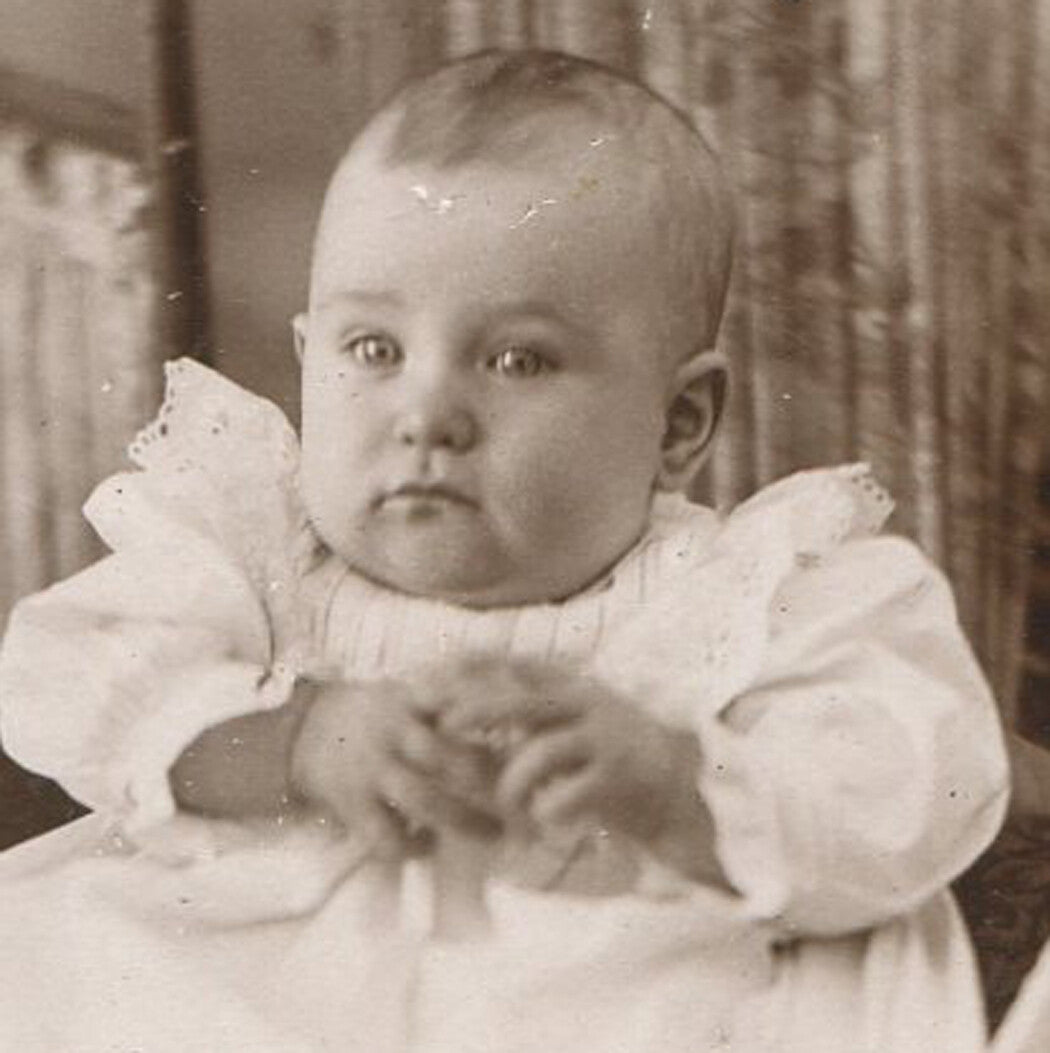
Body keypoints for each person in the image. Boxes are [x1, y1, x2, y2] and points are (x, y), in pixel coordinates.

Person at [0, 49, 1009, 1052]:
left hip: (590, 1002)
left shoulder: (755, 590)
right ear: (309, 359)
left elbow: (911, 791)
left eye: (517, 359)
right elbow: (75, 680)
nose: (426, 414)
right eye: (374, 349)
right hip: (236, 976)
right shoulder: (253, 544)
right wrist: (294, 743)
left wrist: (677, 783)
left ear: (678, 423)